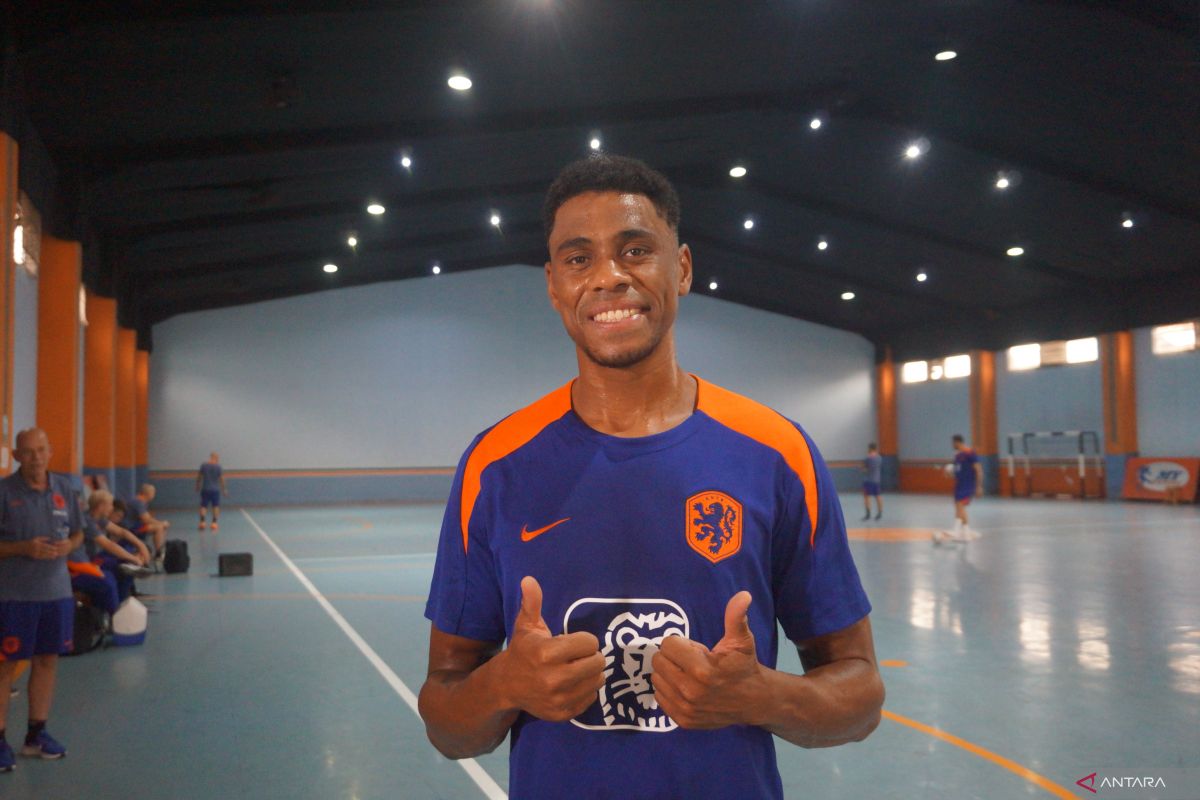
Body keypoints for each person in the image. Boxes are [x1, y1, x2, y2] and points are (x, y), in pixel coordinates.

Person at [419, 155, 884, 799]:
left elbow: (860, 697)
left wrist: (762, 696)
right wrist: (505, 685)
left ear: (683, 268)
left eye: (635, 250)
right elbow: (445, 721)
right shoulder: (495, 464)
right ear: (553, 284)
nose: (609, 276)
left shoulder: (776, 452)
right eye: (579, 258)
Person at [0, 429, 84, 771]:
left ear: (50, 451)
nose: (36, 457)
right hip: (14, 596)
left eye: (41, 450)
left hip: (56, 593)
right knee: (5, 667)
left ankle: (36, 735)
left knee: (47, 660)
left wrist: (69, 546)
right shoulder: (4, 492)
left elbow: (79, 533)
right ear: (16, 456)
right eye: (28, 452)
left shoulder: (65, 488)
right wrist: (23, 548)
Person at [934, 434, 984, 543]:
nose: (952, 445)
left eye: (953, 443)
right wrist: (949, 473)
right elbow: (957, 471)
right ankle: (956, 531)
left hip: (968, 484)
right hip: (959, 484)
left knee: (961, 506)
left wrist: (979, 486)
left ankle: (966, 533)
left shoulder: (969, 452)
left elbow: (978, 469)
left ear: (957, 442)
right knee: (957, 506)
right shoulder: (957, 455)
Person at [125, 484, 169, 567]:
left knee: (160, 526)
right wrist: (161, 523)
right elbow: (146, 519)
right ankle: (159, 554)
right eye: (153, 493)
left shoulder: (141, 502)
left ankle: (158, 551)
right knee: (159, 528)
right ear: (149, 493)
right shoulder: (138, 502)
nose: (154, 495)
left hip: (136, 526)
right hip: (132, 528)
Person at [195, 452, 226, 530]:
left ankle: (202, 522)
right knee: (215, 506)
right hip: (215, 490)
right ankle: (214, 523)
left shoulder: (204, 466)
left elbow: (199, 477)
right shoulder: (218, 467)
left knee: (203, 505)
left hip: (205, 489)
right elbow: (222, 479)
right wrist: (224, 489)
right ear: (216, 458)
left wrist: (197, 485)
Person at [862, 442, 883, 521]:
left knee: (867, 497)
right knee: (878, 496)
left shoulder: (868, 458)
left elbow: (864, 469)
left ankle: (868, 514)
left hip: (868, 480)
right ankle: (880, 513)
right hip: (876, 480)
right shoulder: (879, 458)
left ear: (870, 448)